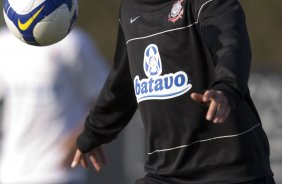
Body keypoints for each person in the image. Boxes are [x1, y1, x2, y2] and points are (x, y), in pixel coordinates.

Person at [71, 0, 275, 183]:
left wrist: (226, 88)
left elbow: (231, 46)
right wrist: (95, 132)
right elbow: (122, 81)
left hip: (232, 170)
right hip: (167, 172)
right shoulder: (130, 8)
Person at [0, 27, 109, 183]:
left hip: (60, 173)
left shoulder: (73, 43)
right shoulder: (5, 43)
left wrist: (80, 138)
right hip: (12, 172)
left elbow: (105, 98)